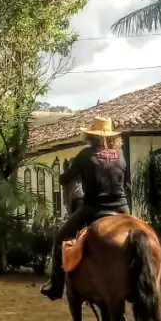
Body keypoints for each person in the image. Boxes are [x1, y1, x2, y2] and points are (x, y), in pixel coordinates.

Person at [41, 116, 130, 301]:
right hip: (122, 209)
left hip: (93, 208)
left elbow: (66, 179)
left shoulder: (85, 155)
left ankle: (55, 285)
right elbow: (127, 183)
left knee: (60, 238)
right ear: (113, 137)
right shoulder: (121, 155)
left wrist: (64, 175)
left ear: (91, 136)